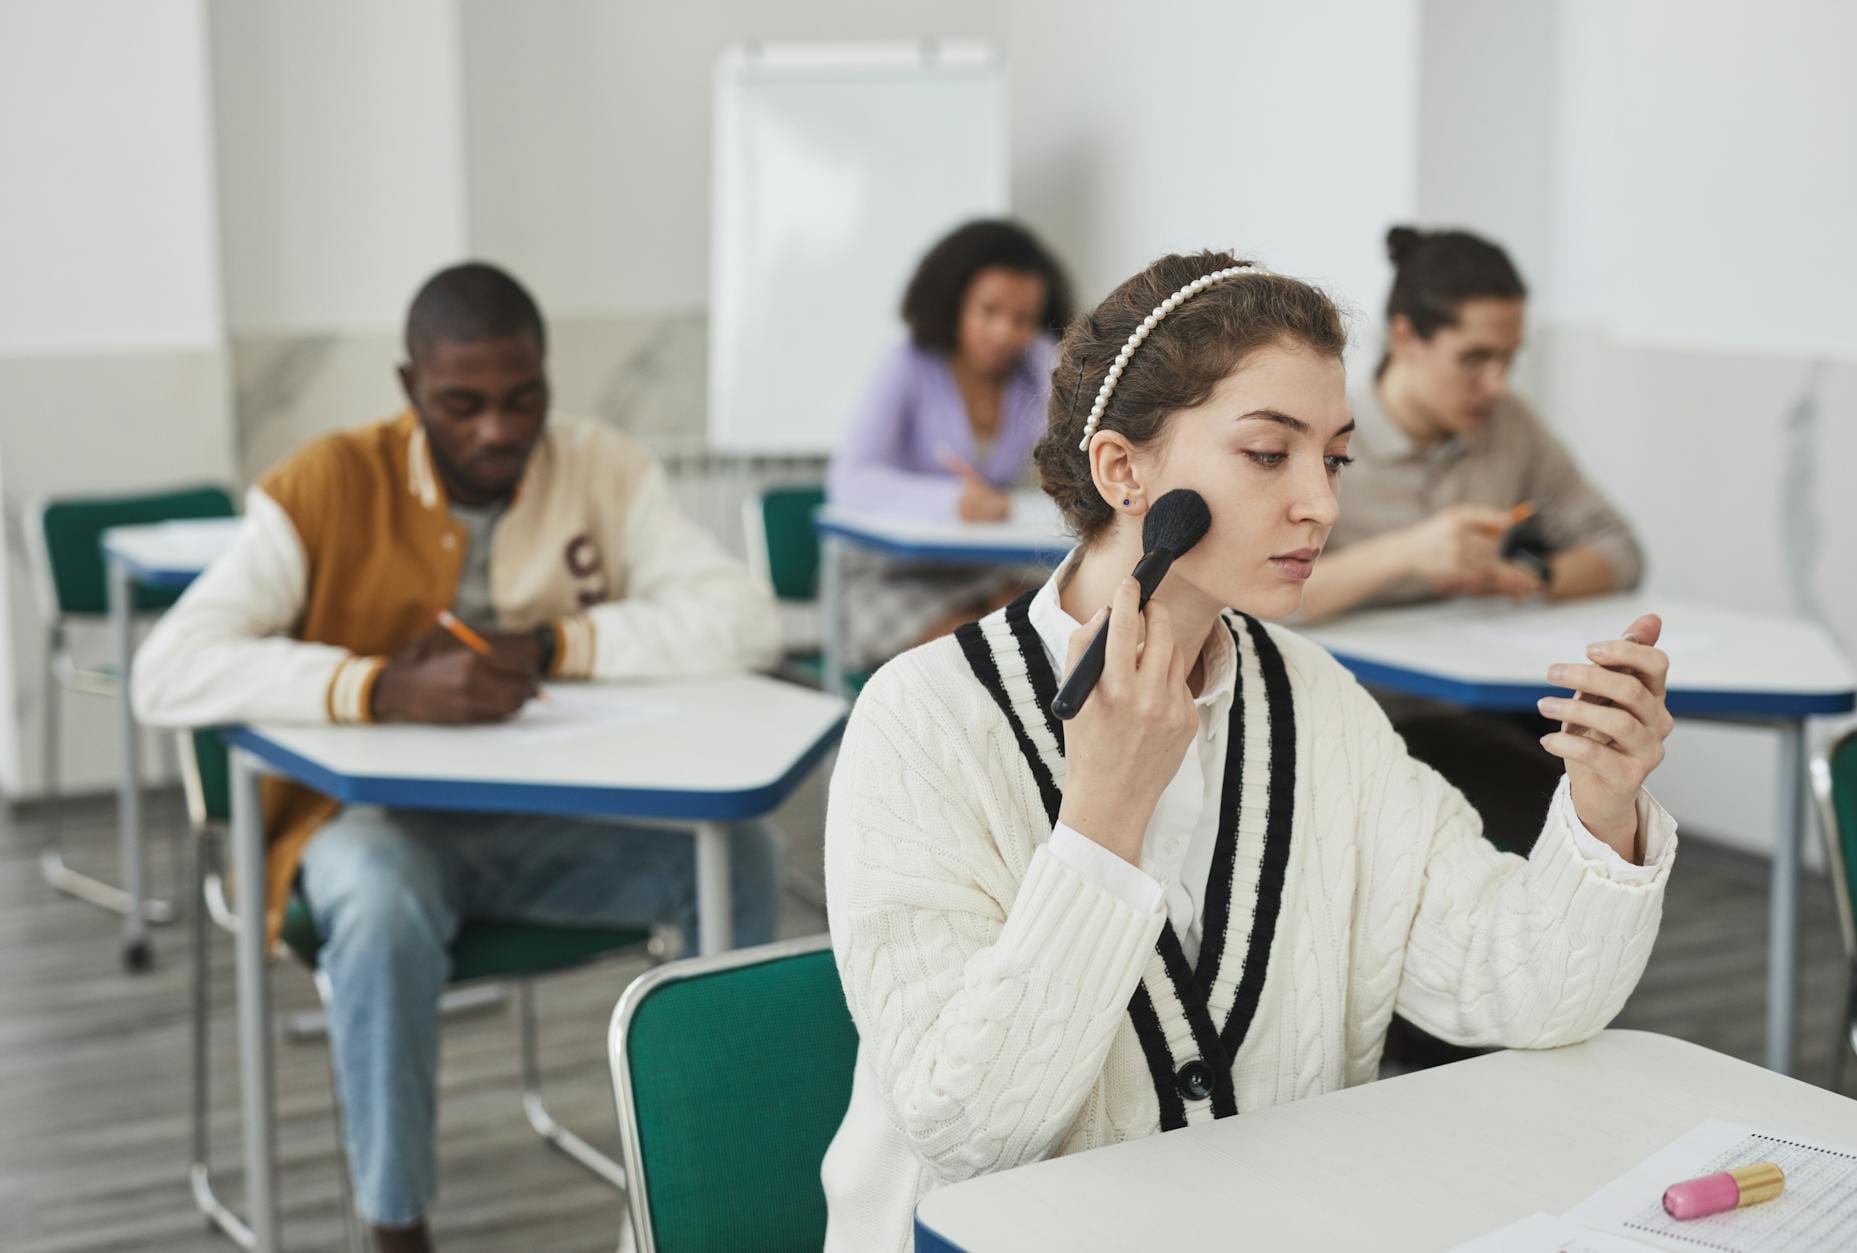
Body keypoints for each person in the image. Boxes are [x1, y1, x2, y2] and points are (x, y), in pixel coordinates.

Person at [819, 251, 1678, 1253]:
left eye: (1335, 458)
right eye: (1269, 454)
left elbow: (1522, 985)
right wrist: (1100, 821)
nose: (1320, 501)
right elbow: (969, 1129)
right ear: (1121, 470)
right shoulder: (919, 721)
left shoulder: (1314, 701)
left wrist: (1600, 804)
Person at [133, 262, 783, 1253]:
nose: (497, 429)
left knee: (739, 859)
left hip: (558, 827)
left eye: (522, 399)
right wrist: (378, 684)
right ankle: (395, 1225)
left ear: (547, 379)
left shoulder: (601, 467)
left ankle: (694, 1208)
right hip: (372, 832)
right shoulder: (327, 483)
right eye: (462, 404)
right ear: (409, 390)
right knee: (384, 899)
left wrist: (562, 645)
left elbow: (745, 617)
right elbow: (167, 670)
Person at [1304, 226, 1648, 852]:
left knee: (1594, 800)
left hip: (1479, 711)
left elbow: (1618, 547)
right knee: (1550, 817)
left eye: (1510, 358)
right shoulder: (1329, 438)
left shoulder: (1509, 428)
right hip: (1354, 719)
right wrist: (1409, 552)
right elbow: (1258, 597)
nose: (1497, 382)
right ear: (1406, 337)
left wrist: (1539, 577)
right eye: (1475, 359)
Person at [826, 218, 1073, 669]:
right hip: (892, 578)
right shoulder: (906, 365)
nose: (1005, 332)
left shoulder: (1029, 374)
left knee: (1048, 616)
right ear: (954, 301)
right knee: (978, 651)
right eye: (989, 311)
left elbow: (1074, 428)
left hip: (980, 569)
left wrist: (1053, 353)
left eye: (1023, 320)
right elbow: (850, 480)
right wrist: (952, 502)